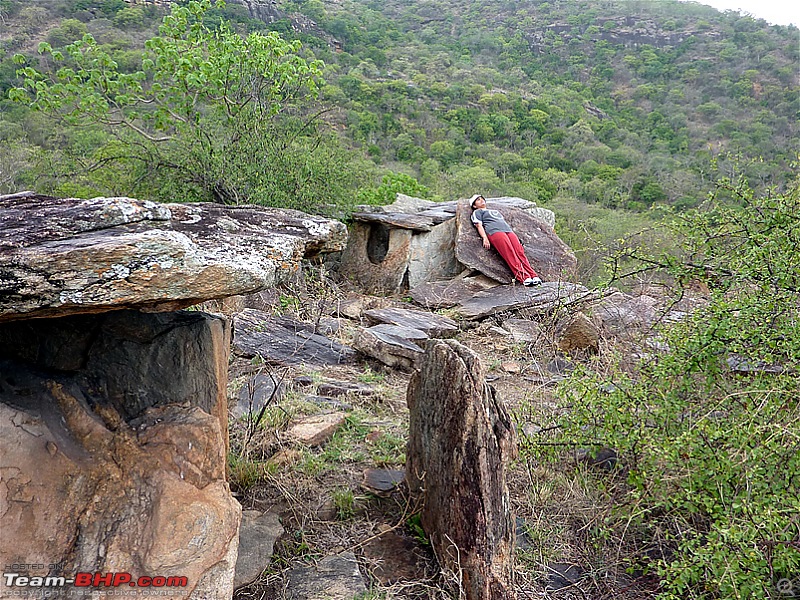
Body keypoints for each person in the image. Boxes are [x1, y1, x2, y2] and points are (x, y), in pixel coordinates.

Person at [470, 194, 542, 286]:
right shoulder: (477, 212)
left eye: (481, 198)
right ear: (474, 206)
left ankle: (533, 275)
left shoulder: (495, 211)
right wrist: (485, 238)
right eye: (478, 200)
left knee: (520, 252)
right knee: (509, 253)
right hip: (495, 232)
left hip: (508, 231)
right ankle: (524, 277)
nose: (481, 200)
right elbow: (479, 225)